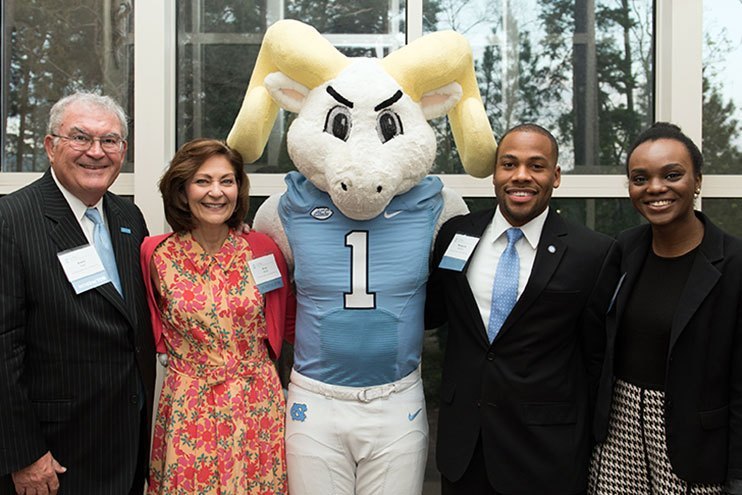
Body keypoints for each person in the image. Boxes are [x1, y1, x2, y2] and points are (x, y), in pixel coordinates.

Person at [426, 123, 620, 494]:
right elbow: (433, 312)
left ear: (556, 175)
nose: (521, 177)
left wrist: (594, 439)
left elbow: (597, 358)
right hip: (464, 446)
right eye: (509, 164)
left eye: (536, 166)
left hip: (546, 451)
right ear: (495, 173)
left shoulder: (592, 253)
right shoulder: (456, 235)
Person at [0, 92, 156, 494]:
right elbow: (3, 348)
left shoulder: (128, 216)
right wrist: (22, 454)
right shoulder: (11, 220)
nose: (96, 152)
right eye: (81, 138)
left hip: (124, 443)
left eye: (110, 141)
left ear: (123, 150)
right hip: (53, 455)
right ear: (51, 146)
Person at [589, 122, 742, 494]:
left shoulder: (735, 263)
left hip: (694, 447)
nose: (655, 188)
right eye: (640, 178)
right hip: (618, 435)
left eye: (672, 174)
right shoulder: (625, 248)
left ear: (698, 180)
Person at [140, 138, 295, 495]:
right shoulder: (154, 255)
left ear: (239, 189)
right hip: (188, 406)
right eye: (203, 180)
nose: (216, 192)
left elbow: (285, 319)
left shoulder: (262, 249)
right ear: (182, 190)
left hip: (256, 403)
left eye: (227, 181)